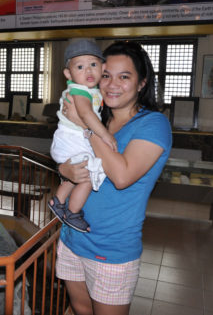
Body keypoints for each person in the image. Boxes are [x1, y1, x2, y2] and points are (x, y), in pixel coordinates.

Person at [55, 41, 172, 315]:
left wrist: (85, 126)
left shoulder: (153, 124)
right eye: (106, 75)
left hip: (111, 248)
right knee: (79, 309)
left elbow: (121, 175)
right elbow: (72, 162)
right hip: (73, 238)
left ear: (142, 83)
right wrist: (64, 171)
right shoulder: (99, 118)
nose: (112, 84)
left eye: (124, 77)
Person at [49, 39, 117, 233]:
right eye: (80, 66)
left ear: (102, 67)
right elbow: (86, 114)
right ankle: (72, 212)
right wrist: (104, 134)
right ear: (68, 73)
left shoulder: (90, 90)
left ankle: (58, 201)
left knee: (75, 174)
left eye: (93, 65)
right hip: (72, 139)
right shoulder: (79, 90)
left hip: (69, 139)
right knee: (87, 177)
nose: (88, 71)